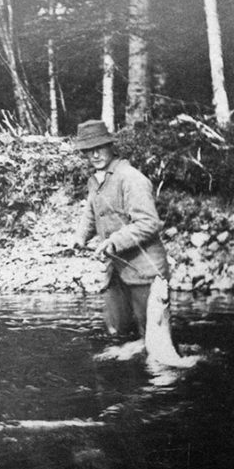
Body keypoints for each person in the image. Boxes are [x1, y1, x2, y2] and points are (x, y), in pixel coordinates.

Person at [71, 119, 170, 338]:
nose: (94, 155)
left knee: (152, 336)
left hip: (145, 272)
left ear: (110, 146)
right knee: (116, 332)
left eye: (99, 148)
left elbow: (148, 223)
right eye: (88, 150)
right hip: (116, 270)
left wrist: (114, 241)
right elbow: (91, 210)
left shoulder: (132, 178)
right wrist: (80, 236)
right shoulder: (96, 180)